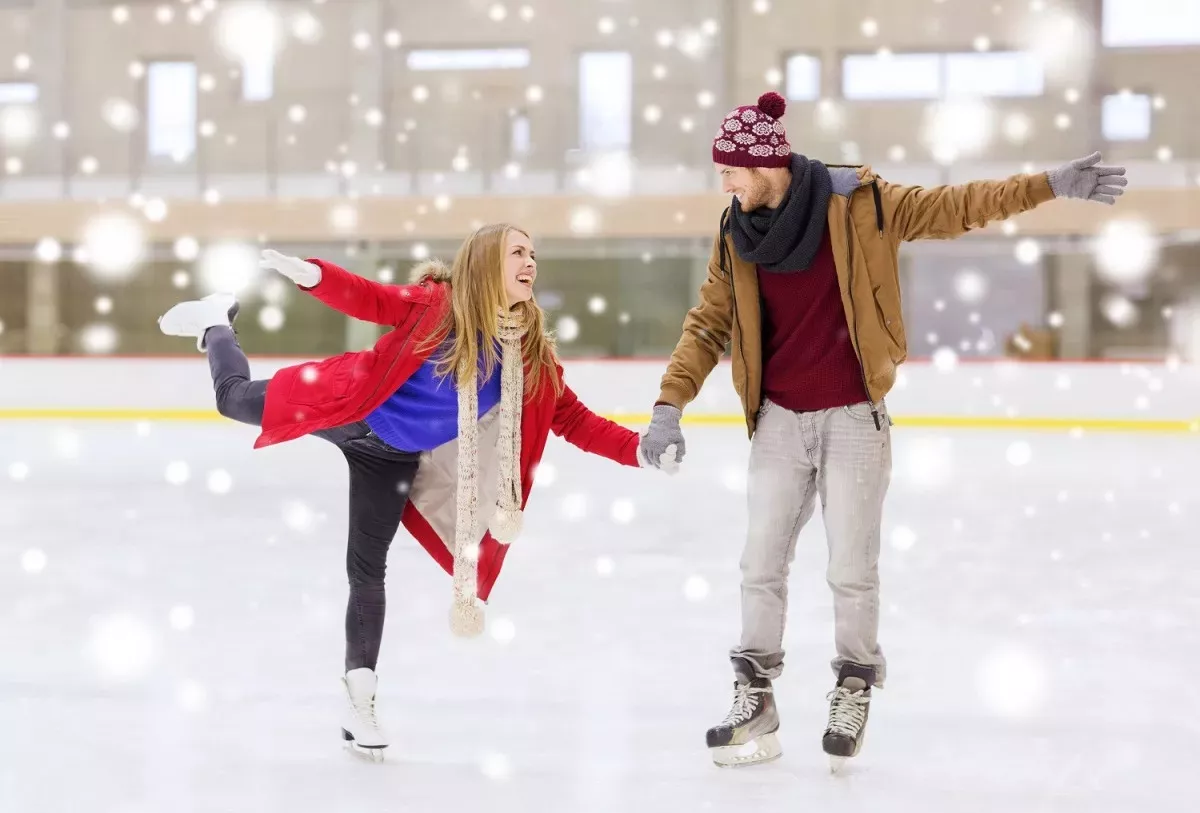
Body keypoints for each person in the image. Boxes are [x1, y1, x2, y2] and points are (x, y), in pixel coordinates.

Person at [637, 91, 1127, 770]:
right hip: (778, 419)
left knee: (850, 568)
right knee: (759, 563)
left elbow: (956, 206)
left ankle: (853, 683)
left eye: (731, 170)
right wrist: (670, 402)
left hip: (853, 416)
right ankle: (755, 693)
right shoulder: (734, 233)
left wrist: (1048, 184)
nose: (724, 183)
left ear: (767, 163)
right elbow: (708, 323)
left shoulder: (858, 202)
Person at [158, 223, 677, 759]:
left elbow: (576, 420)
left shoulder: (528, 358)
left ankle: (359, 699)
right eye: (518, 252)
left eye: (534, 254)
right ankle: (216, 323)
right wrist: (314, 275)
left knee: (366, 568)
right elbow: (371, 300)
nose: (531, 263)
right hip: (348, 404)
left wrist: (639, 449)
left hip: (389, 458)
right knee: (234, 401)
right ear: (484, 263)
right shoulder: (437, 305)